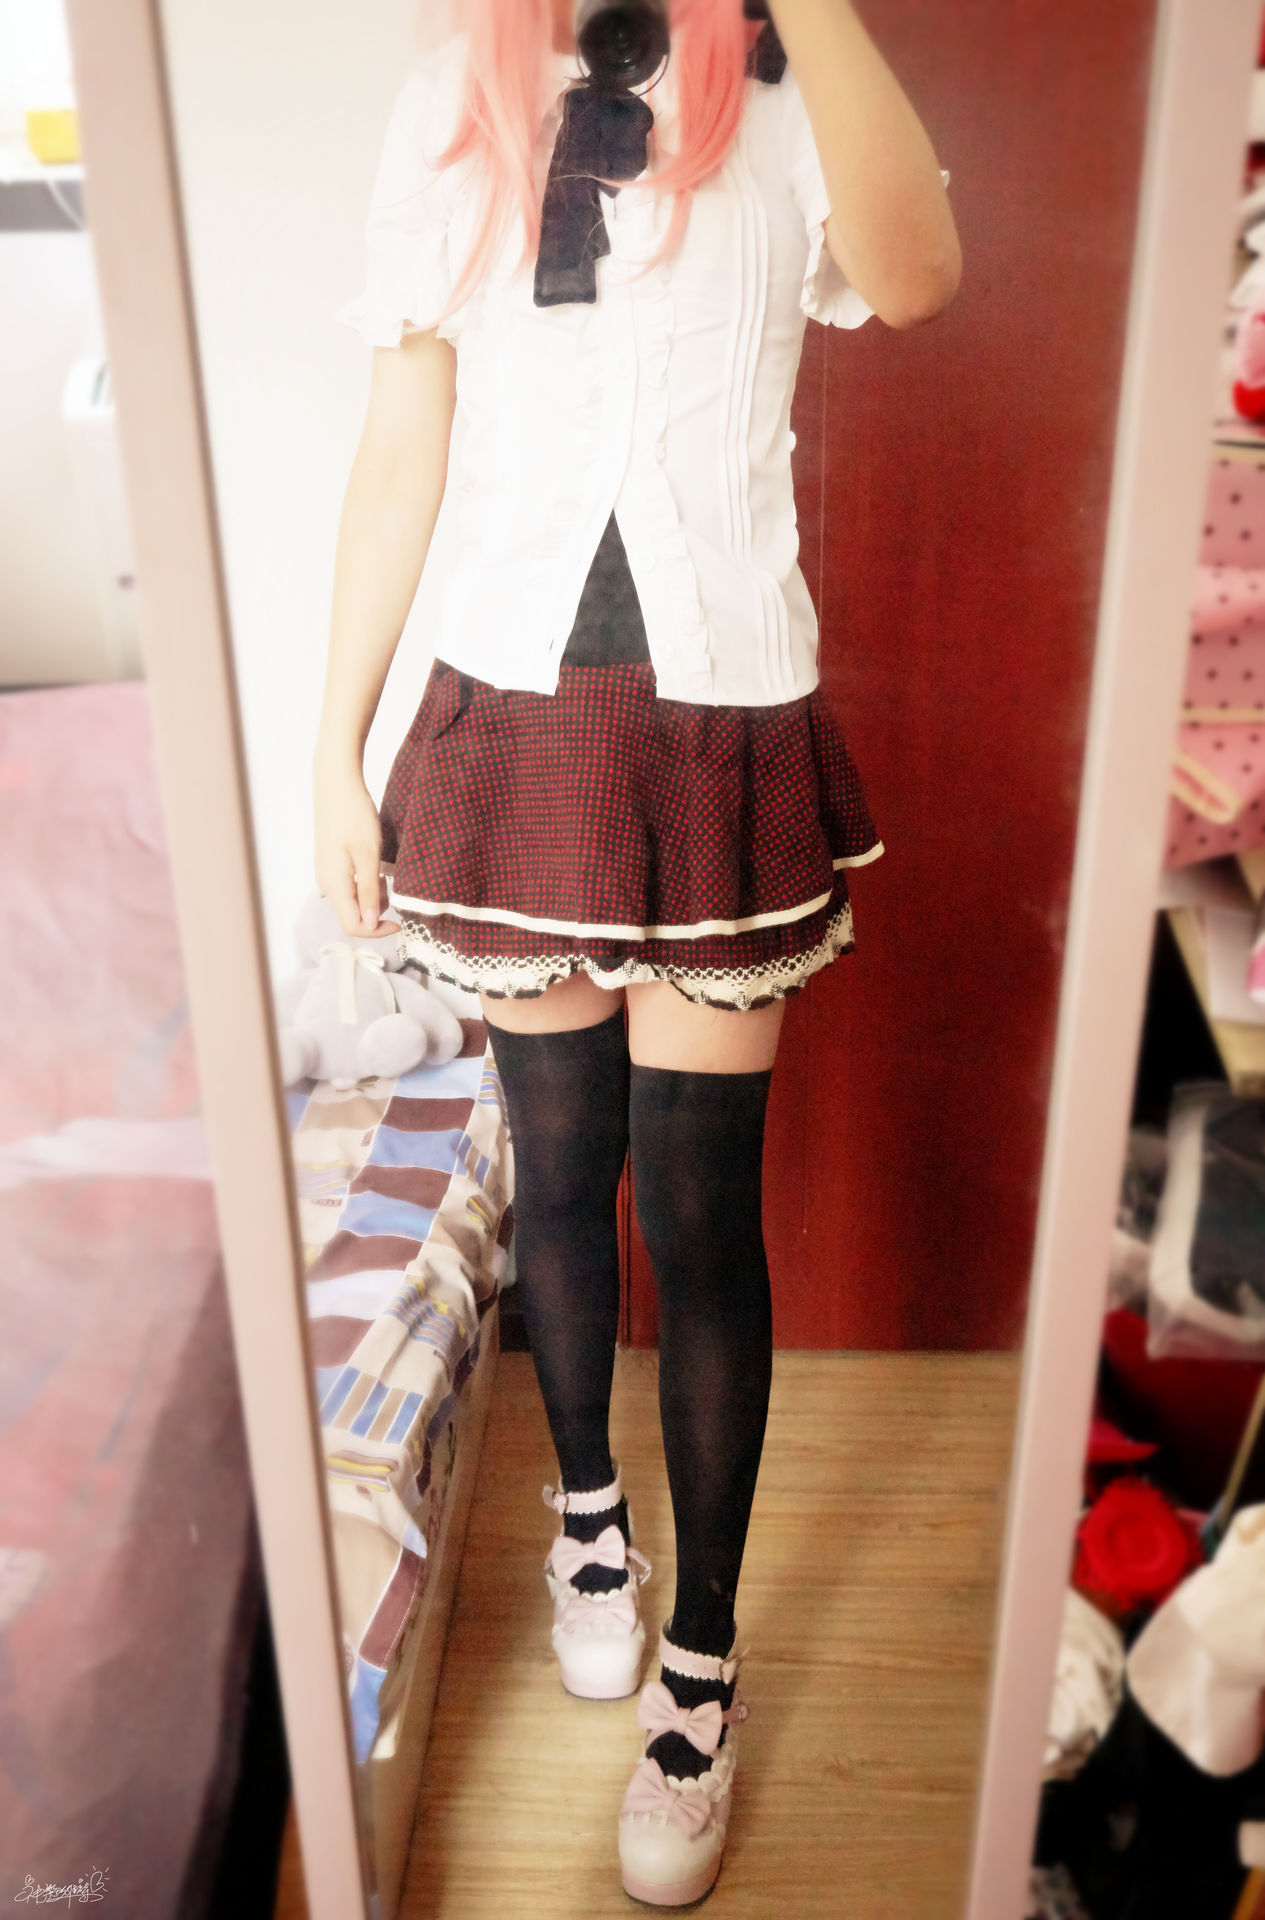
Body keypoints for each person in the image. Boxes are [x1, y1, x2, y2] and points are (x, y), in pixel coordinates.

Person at [315, 0, 960, 1903]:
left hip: (719, 716)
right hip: (510, 717)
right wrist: (331, 754)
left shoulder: (788, 93)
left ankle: (703, 1670)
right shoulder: (454, 93)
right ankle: (585, 1517)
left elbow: (916, 276)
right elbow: (399, 443)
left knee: (699, 1208)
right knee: (560, 1166)